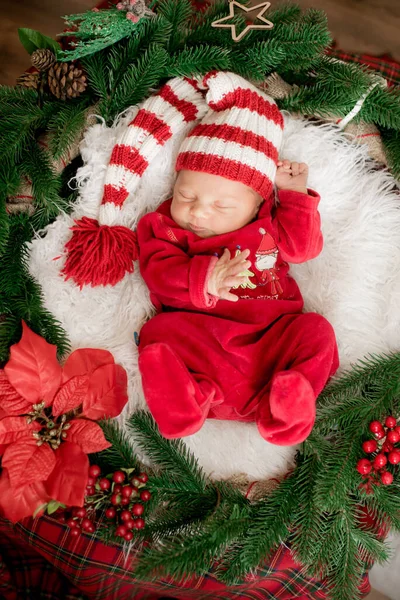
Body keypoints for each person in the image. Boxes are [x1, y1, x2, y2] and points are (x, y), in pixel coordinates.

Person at [135, 71, 339, 445]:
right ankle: (184, 403)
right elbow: (157, 272)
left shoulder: (267, 226)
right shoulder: (165, 228)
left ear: (258, 203)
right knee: (157, 333)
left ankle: (288, 409)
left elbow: (304, 249)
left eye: (221, 205)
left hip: (271, 344)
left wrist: (293, 195)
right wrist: (205, 278)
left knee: (317, 332)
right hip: (203, 342)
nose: (198, 214)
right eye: (186, 196)